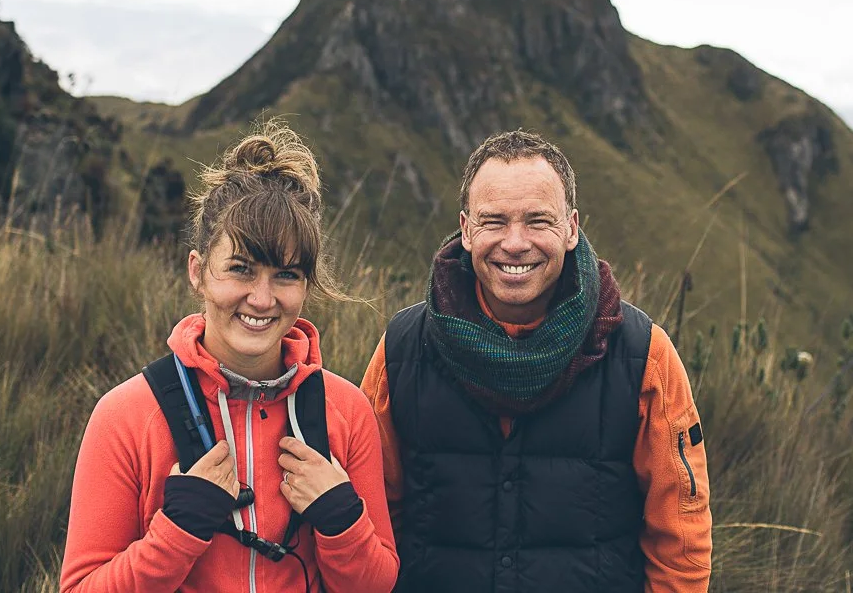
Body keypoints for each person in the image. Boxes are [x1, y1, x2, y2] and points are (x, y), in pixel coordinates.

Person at [360, 129, 711, 593]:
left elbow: (680, 542)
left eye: (538, 221)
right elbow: (370, 525)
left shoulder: (643, 355)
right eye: (494, 221)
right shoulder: (403, 351)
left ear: (571, 228)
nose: (515, 243)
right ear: (466, 230)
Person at [60, 121, 398, 593]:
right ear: (197, 271)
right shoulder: (125, 416)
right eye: (240, 269)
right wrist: (177, 531)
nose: (262, 299)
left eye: (286, 274)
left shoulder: (346, 411)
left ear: (306, 285)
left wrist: (341, 518)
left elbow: (377, 584)